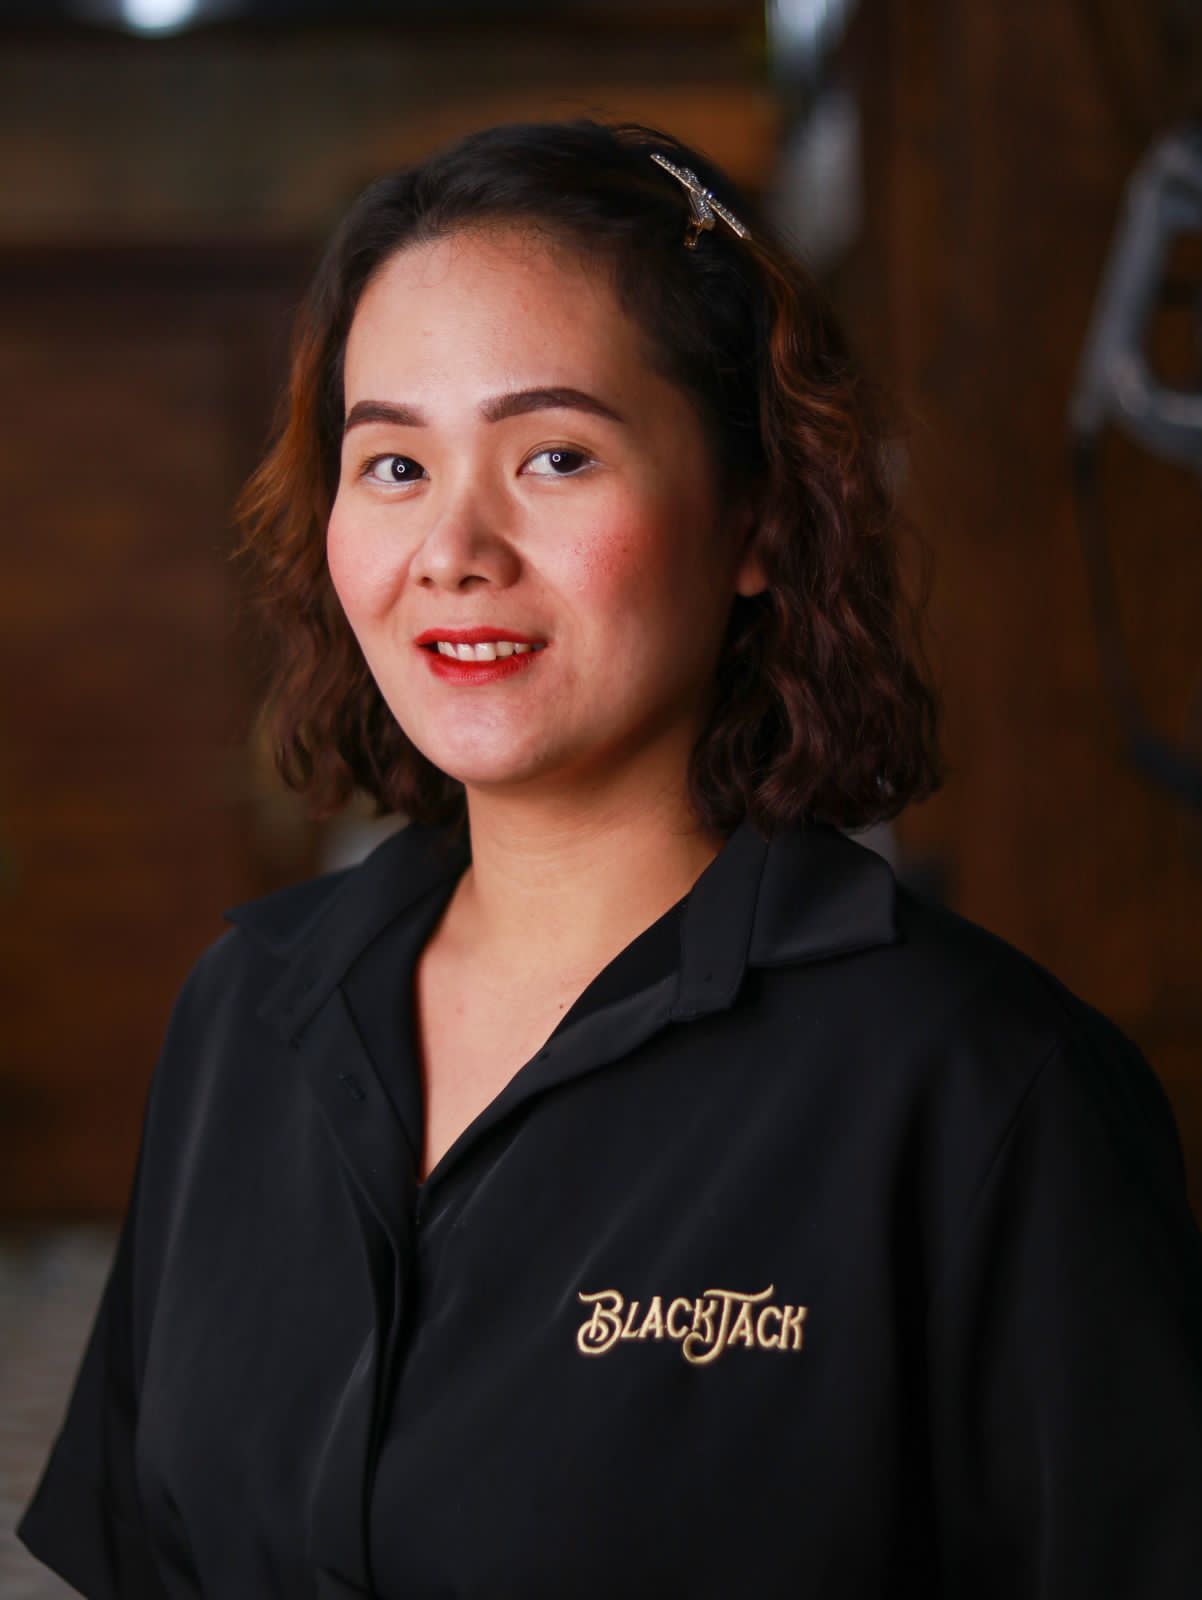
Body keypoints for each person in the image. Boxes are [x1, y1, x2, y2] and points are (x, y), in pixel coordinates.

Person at [17, 119, 1202, 1599]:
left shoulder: (978, 1089)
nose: (453, 547)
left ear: (756, 515)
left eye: (555, 455)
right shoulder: (245, 1015)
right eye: (392, 463)